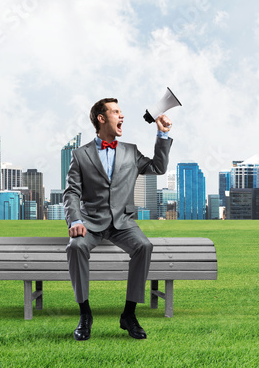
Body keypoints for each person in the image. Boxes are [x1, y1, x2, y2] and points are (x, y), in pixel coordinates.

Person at [63, 97, 172, 340]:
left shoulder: (131, 151)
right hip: (90, 222)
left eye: (121, 111)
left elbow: (158, 168)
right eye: (115, 112)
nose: (121, 116)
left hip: (123, 222)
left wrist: (162, 135)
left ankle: (129, 314)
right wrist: (75, 221)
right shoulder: (80, 155)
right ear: (101, 119)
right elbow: (72, 192)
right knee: (75, 247)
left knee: (144, 246)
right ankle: (85, 314)